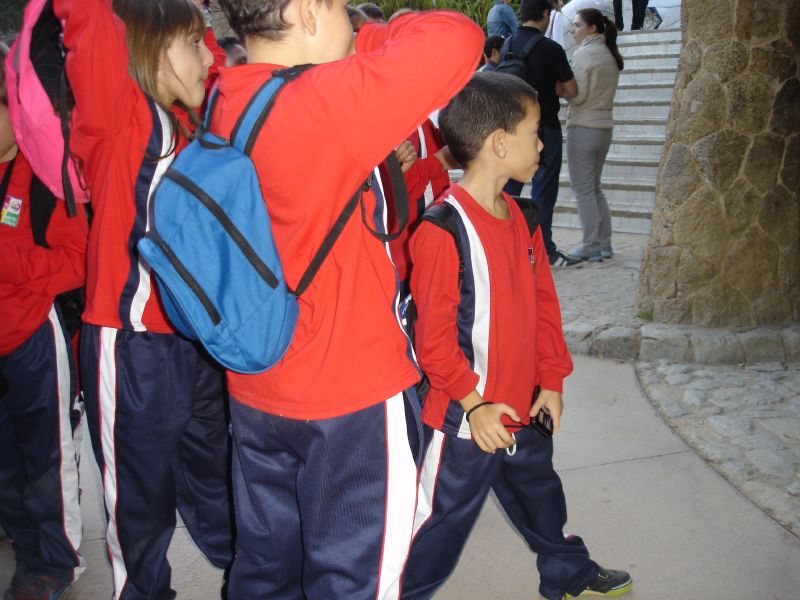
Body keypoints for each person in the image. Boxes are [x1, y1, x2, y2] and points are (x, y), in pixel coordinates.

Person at [211, 1, 483, 597]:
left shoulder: (226, 95)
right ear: (309, 11)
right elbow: (458, 37)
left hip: (258, 380)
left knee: (267, 567)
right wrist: (369, 38)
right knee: (356, 578)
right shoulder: (327, 99)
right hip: (349, 391)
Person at [400, 71, 633, 600]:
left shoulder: (526, 217)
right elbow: (433, 341)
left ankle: (567, 572)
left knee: (541, 497)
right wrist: (474, 404)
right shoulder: (442, 229)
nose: (542, 143)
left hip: (523, 408)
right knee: (434, 528)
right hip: (466, 420)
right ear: (499, 143)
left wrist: (551, 381)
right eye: (534, 131)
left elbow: (545, 308)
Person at [54, 0, 235, 597]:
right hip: (131, 349)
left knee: (217, 482)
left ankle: (251, 578)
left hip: (198, 343)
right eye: (195, 43)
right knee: (140, 505)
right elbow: (90, 22)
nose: (210, 55)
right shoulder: (119, 116)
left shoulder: (195, 120)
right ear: (151, 50)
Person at [0, 41, 89, 600]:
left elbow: (78, 262)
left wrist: (10, 262)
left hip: (35, 336)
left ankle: (55, 561)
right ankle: (26, 543)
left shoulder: (45, 173)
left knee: (46, 461)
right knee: (6, 462)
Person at [503, 0, 581, 267]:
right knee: (543, 193)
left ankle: (508, 248)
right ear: (545, 14)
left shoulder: (507, 45)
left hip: (511, 131)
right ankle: (542, 250)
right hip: (544, 128)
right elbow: (572, 90)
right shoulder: (551, 49)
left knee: (508, 190)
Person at [566, 8, 623, 262]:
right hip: (604, 127)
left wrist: (561, 90)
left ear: (592, 28)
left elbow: (578, 96)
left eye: (578, 25)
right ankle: (604, 242)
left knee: (583, 189)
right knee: (595, 187)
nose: (573, 30)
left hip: (583, 126)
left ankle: (591, 244)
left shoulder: (584, 54)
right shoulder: (609, 54)